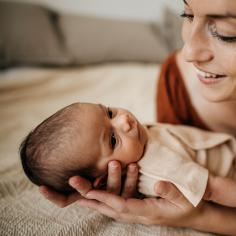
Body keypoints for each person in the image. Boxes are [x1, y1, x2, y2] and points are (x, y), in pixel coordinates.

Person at [39, 0, 236, 235]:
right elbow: (208, 187)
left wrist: (205, 217)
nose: (188, 52)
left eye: (226, 34)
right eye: (188, 14)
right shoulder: (176, 86)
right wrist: (201, 216)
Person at [20, 102, 236, 207]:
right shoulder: (157, 167)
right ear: (103, 178)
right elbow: (211, 189)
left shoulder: (138, 143)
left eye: (109, 113)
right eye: (113, 139)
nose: (124, 120)